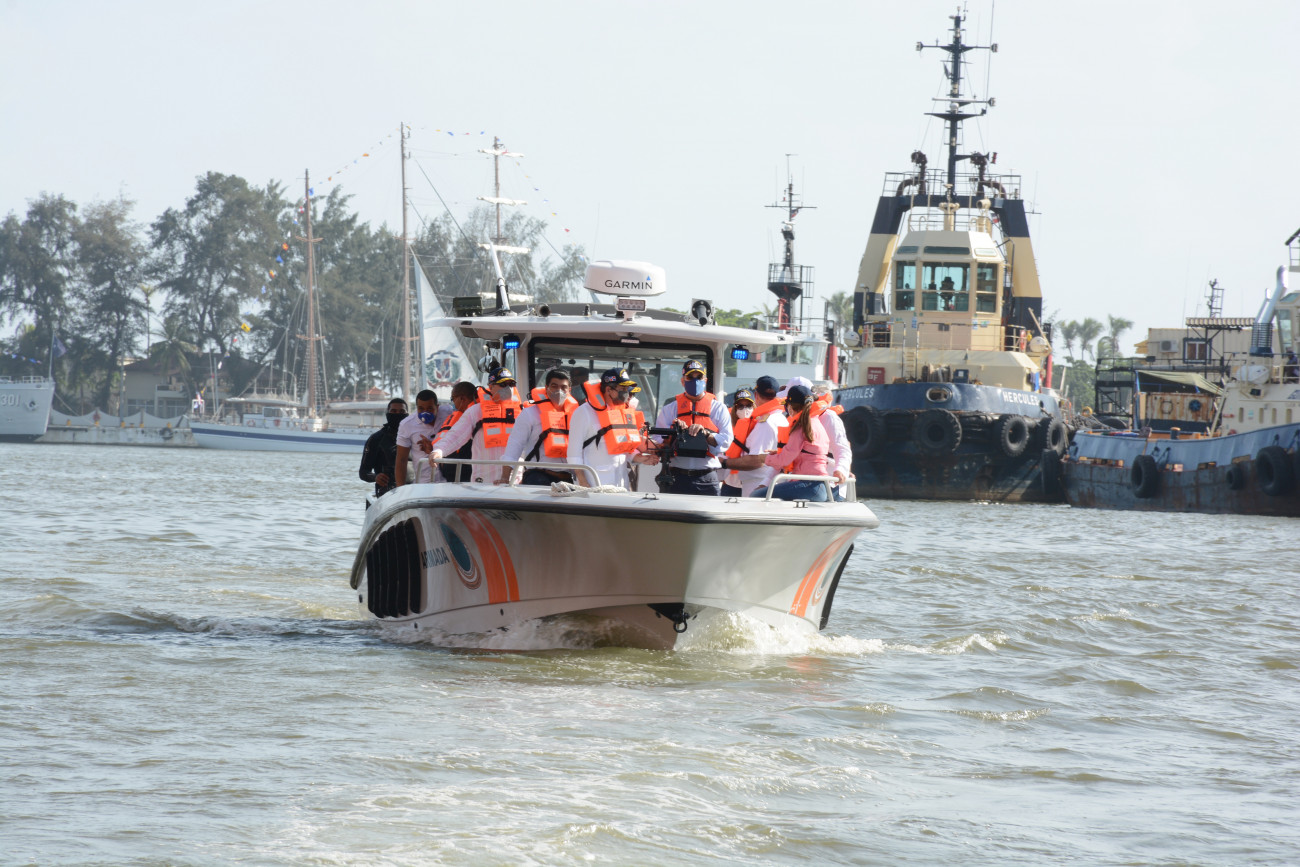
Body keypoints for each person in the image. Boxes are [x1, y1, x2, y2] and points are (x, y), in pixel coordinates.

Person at [646, 360, 733, 496]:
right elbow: (657, 441)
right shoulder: (669, 409)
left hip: (707, 477)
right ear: (682, 381)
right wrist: (675, 431)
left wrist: (706, 434)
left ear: (705, 380)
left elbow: (727, 440)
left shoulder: (719, 408)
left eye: (699, 377)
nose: (695, 381)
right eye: (690, 377)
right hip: (676, 476)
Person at [430, 367, 522, 484]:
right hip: (484, 480)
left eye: (511, 384)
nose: (508, 388)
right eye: (503, 384)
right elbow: (456, 435)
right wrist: (439, 450)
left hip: (514, 480)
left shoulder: (522, 412)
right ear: (491, 386)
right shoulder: (476, 412)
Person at [567, 368, 653, 487]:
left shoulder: (621, 412)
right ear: (609, 390)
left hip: (621, 482)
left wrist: (637, 458)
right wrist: (582, 480)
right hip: (595, 482)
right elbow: (573, 452)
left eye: (627, 389)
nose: (627, 393)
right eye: (623, 389)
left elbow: (620, 448)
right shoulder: (584, 412)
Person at [751, 384, 831, 502]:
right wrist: (778, 453)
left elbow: (784, 460)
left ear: (790, 407)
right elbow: (807, 453)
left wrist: (764, 458)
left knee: (756, 496)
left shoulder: (800, 428)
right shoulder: (816, 423)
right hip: (821, 485)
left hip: (808, 486)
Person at [500, 368, 578, 485]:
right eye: (554, 386)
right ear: (546, 388)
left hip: (565, 477)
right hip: (537, 475)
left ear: (569, 390)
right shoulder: (529, 413)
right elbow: (515, 444)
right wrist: (504, 478)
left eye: (563, 387)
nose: (559, 391)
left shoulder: (576, 416)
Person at [810, 381, 853, 500]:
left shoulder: (830, 418)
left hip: (831, 482)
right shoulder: (807, 417)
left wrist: (841, 470)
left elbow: (843, 449)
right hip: (810, 477)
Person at [358, 397, 407, 496]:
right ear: (388, 413)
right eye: (394, 411)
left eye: (401, 411)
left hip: (412, 489)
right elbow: (363, 472)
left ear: (407, 414)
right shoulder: (376, 439)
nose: (397, 414)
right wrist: (376, 477)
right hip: (386, 492)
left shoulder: (414, 437)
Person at [394, 390, 442, 486]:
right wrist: (400, 489)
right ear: (416, 408)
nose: (425, 412)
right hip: (424, 482)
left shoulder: (447, 413)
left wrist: (433, 447)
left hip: (450, 480)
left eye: (430, 408)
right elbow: (401, 460)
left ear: (437, 407)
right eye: (421, 408)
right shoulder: (407, 425)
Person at [432, 381, 478, 482]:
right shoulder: (460, 415)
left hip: (465, 473)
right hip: (453, 473)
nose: (453, 402)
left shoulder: (475, 416)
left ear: (462, 398)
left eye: (453, 398)